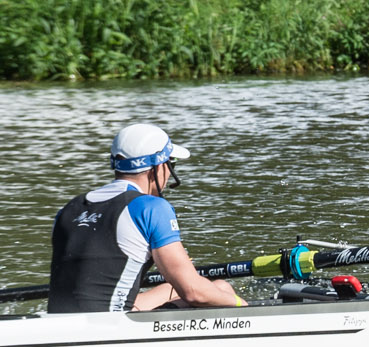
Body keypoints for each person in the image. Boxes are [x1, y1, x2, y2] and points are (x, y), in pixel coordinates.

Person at [47, 125, 245, 315]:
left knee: (173, 287)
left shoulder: (69, 209)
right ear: (159, 167)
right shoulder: (150, 208)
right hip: (110, 328)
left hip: (60, 321)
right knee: (221, 288)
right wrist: (243, 306)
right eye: (171, 164)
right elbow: (194, 292)